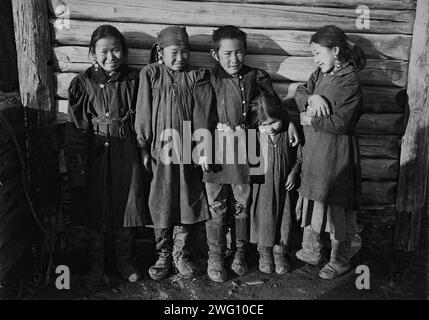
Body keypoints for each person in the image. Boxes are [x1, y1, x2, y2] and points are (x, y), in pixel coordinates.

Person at [204, 25, 299, 283]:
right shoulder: (208, 79)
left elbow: (273, 107)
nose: (234, 60)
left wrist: (288, 121)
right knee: (217, 205)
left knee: (242, 203)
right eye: (227, 54)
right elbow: (200, 114)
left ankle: (240, 252)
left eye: (239, 53)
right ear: (215, 55)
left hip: (247, 150)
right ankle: (215, 255)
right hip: (216, 149)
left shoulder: (257, 77)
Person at [65, 25, 148, 285]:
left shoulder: (134, 80)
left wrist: (144, 151)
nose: (110, 56)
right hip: (96, 157)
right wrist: (77, 166)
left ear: (124, 51)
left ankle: (124, 262)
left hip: (127, 155)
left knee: (126, 208)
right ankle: (95, 267)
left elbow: (144, 118)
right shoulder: (83, 83)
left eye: (116, 50)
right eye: (104, 51)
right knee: (96, 211)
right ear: (92, 53)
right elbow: (78, 129)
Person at [135, 26, 215, 281]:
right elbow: (143, 110)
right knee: (162, 201)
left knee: (186, 200)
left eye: (185, 52)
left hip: (188, 151)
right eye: (174, 52)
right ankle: (163, 255)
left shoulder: (195, 76)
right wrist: (144, 146)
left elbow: (203, 112)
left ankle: (182, 253)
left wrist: (203, 148)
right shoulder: (151, 74)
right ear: (160, 52)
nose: (180, 58)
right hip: (161, 152)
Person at [294, 25, 365, 280]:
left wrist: (309, 120)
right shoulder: (320, 74)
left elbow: (343, 122)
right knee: (314, 197)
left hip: (337, 155)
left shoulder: (350, 81)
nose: (315, 59)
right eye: (312, 54)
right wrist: (313, 98)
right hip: (315, 151)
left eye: (317, 53)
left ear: (335, 51)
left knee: (336, 204)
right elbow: (300, 91)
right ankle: (312, 250)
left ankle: (340, 259)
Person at [249, 90, 301, 275]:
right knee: (264, 218)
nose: (270, 128)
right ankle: (264, 252)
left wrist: (294, 173)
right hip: (262, 189)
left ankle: (280, 252)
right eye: (264, 125)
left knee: (283, 218)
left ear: (281, 116)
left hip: (284, 188)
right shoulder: (254, 137)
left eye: (274, 122)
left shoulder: (288, 134)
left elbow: (300, 157)